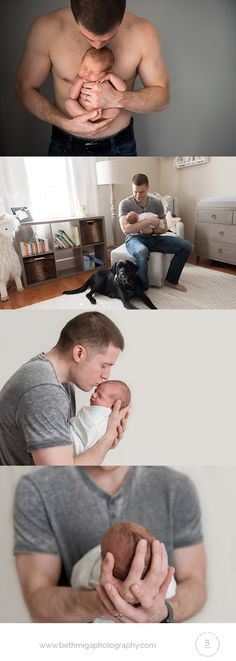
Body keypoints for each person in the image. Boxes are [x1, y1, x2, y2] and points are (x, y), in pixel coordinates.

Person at [14, 466, 207, 623]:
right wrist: (105, 602)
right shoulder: (38, 489)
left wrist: (162, 611)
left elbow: (195, 585)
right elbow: (37, 602)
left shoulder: (176, 488)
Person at [15, 0, 170, 156]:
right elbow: (24, 89)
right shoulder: (46, 29)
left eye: (108, 37)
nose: (97, 46)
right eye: (88, 37)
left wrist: (118, 98)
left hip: (120, 145)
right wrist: (64, 123)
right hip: (64, 142)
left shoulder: (143, 33)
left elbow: (162, 97)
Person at [0, 312, 129, 466]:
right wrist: (107, 439)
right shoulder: (44, 390)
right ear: (79, 353)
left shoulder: (58, 381)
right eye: (104, 365)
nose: (106, 376)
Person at [71, 521, 177, 622]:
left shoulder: (93, 571)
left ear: (107, 564)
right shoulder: (167, 580)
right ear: (158, 554)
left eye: (101, 552)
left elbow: (75, 577)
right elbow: (173, 593)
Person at [119, 174, 192, 292]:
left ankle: (171, 280)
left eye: (141, 192)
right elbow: (126, 229)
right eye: (135, 192)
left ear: (148, 188)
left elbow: (164, 228)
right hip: (134, 238)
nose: (137, 196)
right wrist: (148, 221)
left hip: (154, 237)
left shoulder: (156, 203)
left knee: (186, 246)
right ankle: (142, 289)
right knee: (142, 252)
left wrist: (152, 230)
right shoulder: (125, 204)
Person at [70, 379, 131, 456]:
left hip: (74, 445)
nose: (93, 395)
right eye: (95, 391)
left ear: (113, 406)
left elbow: (91, 429)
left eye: (100, 396)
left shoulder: (100, 415)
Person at [65, 46, 126, 120]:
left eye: (93, 72)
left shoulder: (105, 80)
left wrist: (110, 77)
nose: (87, 73)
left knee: (116, 110)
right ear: (81, 62)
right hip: (83, 110)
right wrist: (80, 82)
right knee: (69, 103)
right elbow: (72, 96)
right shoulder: (80, 79)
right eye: (84, 67)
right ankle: (88, 115)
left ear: (105, 72)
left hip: (101, 111)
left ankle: (99, 115)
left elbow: (123, 89)